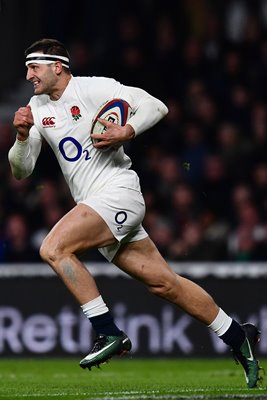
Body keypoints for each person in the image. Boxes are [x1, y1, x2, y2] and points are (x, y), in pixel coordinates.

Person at [9, 38, 261, 388]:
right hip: (97, 205)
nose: (27, 75)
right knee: (165, 285)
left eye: (33, 67)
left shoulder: (95, 89)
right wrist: (22, 137)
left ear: (57, 66)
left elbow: (156, 107)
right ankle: (237, 335)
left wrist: (127, 130)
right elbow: (21, 171)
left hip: (118, 193)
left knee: (53, 248)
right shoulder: (36, 108)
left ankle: (107, 332)